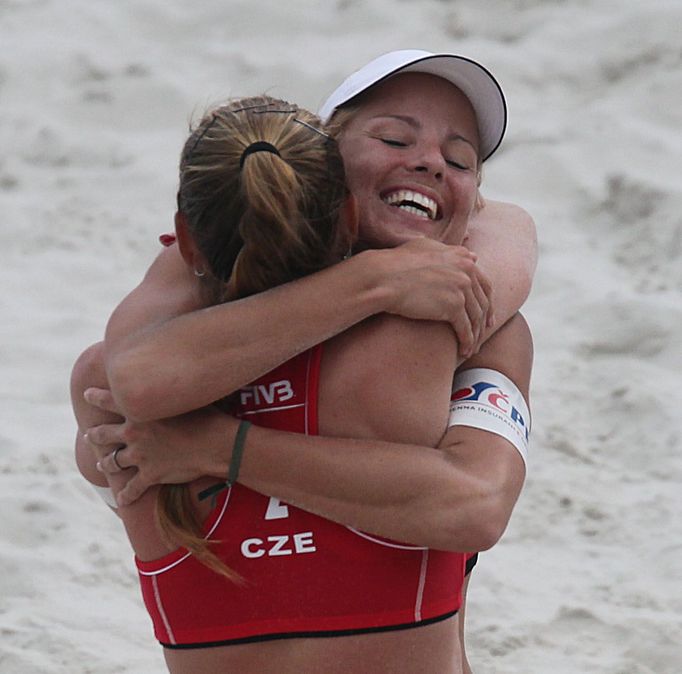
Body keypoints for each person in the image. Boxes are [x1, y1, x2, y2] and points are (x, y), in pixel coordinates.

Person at [73, 50, 534, 673]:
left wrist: (217, 448)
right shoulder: (438, 343)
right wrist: (377, 282)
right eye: (394, 137)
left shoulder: (117, 376)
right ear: (328, 163)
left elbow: (136, 380)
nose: (429, 162)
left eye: (460, 162)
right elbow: (473, 506)